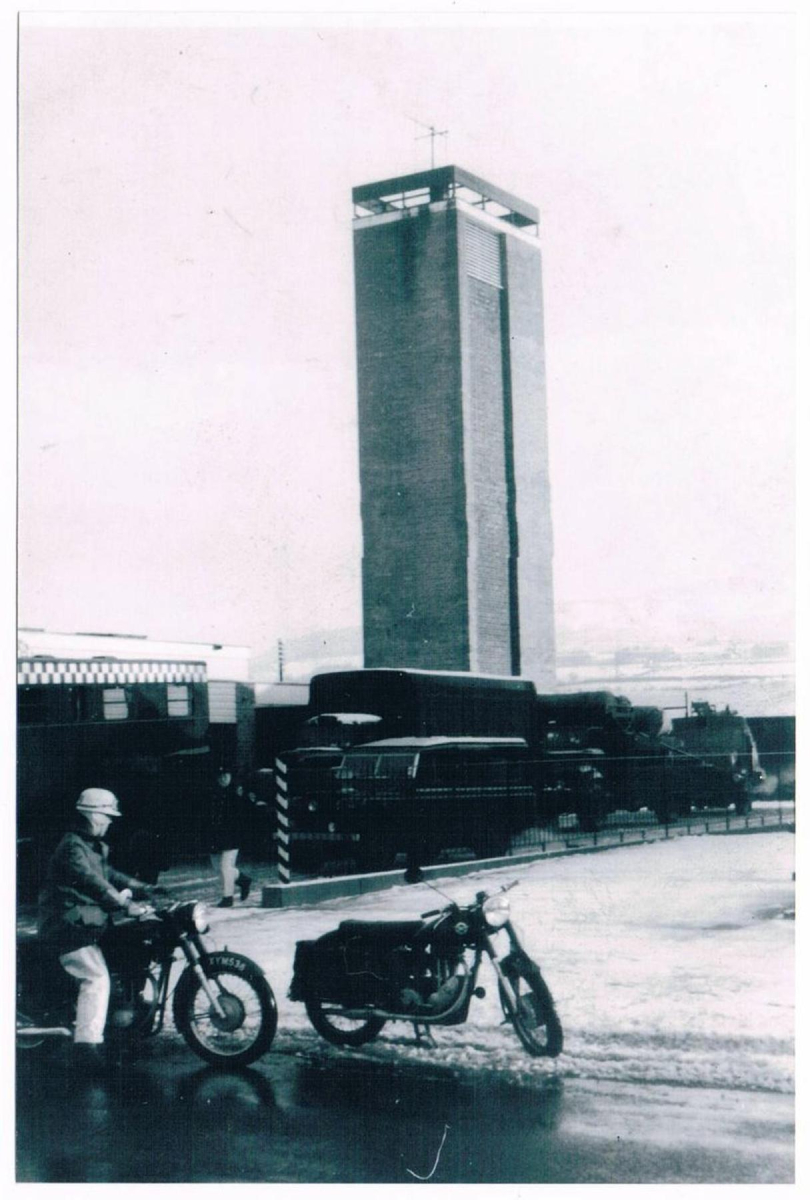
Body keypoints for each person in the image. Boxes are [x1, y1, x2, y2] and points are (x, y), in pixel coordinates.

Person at [37, 788, 155, 1072]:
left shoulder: (92, 845)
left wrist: (144, 888)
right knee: (97, 977)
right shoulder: (72, 847)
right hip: (66, 924)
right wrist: (125, 905)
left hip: (87, 920)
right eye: (107, 815)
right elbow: (94, 882)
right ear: (91, 814)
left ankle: (123, 1017)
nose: (110, 821)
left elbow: (110, 875)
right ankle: (86, 1047)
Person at [208, 767, 252, 907]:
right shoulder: (214, 793)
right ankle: (243, 880)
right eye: (220, 776)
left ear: (230, 776)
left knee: (225, 867)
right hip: (217, 837)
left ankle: (228, 898)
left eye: (225, 775)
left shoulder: (236, 793)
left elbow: (242, 816)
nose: (223, 779)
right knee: (218, 868)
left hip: (232, 836)